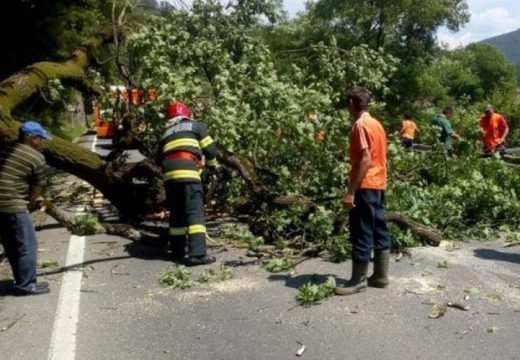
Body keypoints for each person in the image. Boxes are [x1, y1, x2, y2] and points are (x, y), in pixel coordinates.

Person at [336, 87, 391, 296]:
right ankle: (380, 276)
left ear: (351, 103)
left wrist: (351, 191)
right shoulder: (376, 124)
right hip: (378, 184)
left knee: (361, 230)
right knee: (379, 227)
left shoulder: (360, 125)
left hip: (365, 184)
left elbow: (366, 159)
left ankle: (358, 280)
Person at [158, 102, 217, 266]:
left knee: (177, 213)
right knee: (194, 213)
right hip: (188, 174)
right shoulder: (196, 126)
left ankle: (177, 251)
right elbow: (211, 150)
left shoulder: (165, 134)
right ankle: (197, 254)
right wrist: (211, 167)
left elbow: (158, 158)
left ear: (170, 118)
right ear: (187, 115)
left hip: (169, 176)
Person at [0, 120, 51, 295]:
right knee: (27, 245)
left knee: (11, 244)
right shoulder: (36, 158)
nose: (42, 142)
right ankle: (27, 284)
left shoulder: (6, 149)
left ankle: (20, 280)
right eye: (40, 138)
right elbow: (37, 190)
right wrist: (31, 204)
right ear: (31, 138)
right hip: (12, 204)